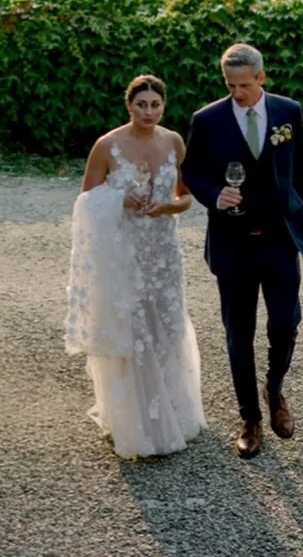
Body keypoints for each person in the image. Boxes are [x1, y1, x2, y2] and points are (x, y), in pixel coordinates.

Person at [181, 42, 303, 458]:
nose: (236, 92)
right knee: (239, 333)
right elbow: (191, 170)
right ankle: (250, 418)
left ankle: (275, 390)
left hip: (279, 241)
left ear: (261, 77)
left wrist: (301, 215)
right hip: (232, 242)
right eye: (230, 85)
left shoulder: (288, 112)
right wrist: (213, 194)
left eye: (244, 84)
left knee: (284, 324)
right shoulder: (207, 120)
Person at [65, 73, 205, 458]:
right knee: (132, 329)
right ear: (129, 105)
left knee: (166, 327)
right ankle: (133, 419)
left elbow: (187, 197)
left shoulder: (174, 141)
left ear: (164, 106)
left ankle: (173, 412)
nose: (148, 111)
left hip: (162, 252)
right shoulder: (107, 145)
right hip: (123, 251)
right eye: (141, 104)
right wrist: (117, 198)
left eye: (155, 105)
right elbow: (86, 199)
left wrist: (167, 206)